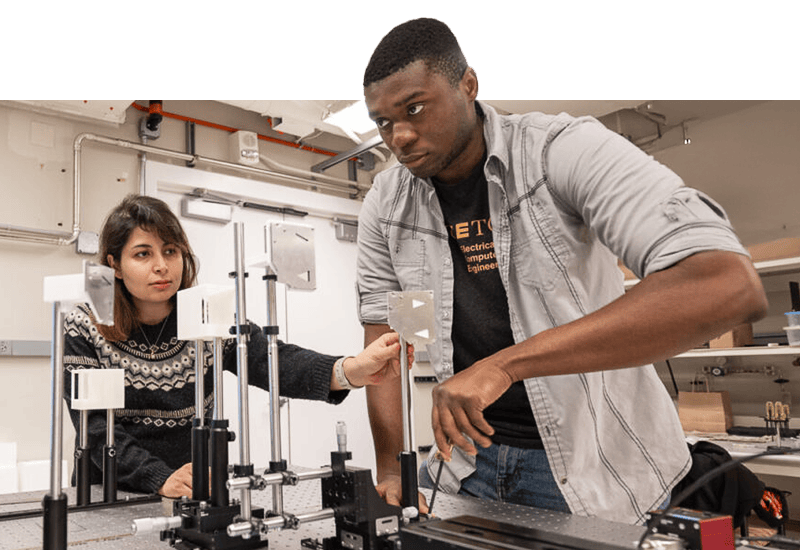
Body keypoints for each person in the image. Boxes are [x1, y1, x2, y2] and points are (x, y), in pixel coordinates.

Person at [356, 17, 768, 524]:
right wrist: (391, 469)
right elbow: (386, 349)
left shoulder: (559, 151)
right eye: (382, 122)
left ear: (468, 85)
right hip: (464, 467)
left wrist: (503, 366)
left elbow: (725, 283)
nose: (398, 136)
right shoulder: (388, 204)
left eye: (414, 108)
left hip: (597, 467)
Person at [63, 194, 412, 498]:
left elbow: (272, 361)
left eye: (170, 251)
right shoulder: (85, 325)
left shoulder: (207, 316)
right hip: (108, 493)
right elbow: (95, 428)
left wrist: (351, 370)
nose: (161, 266)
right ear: (115, 266)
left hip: (197, 488)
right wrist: (159, 477)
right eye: (142, 254)